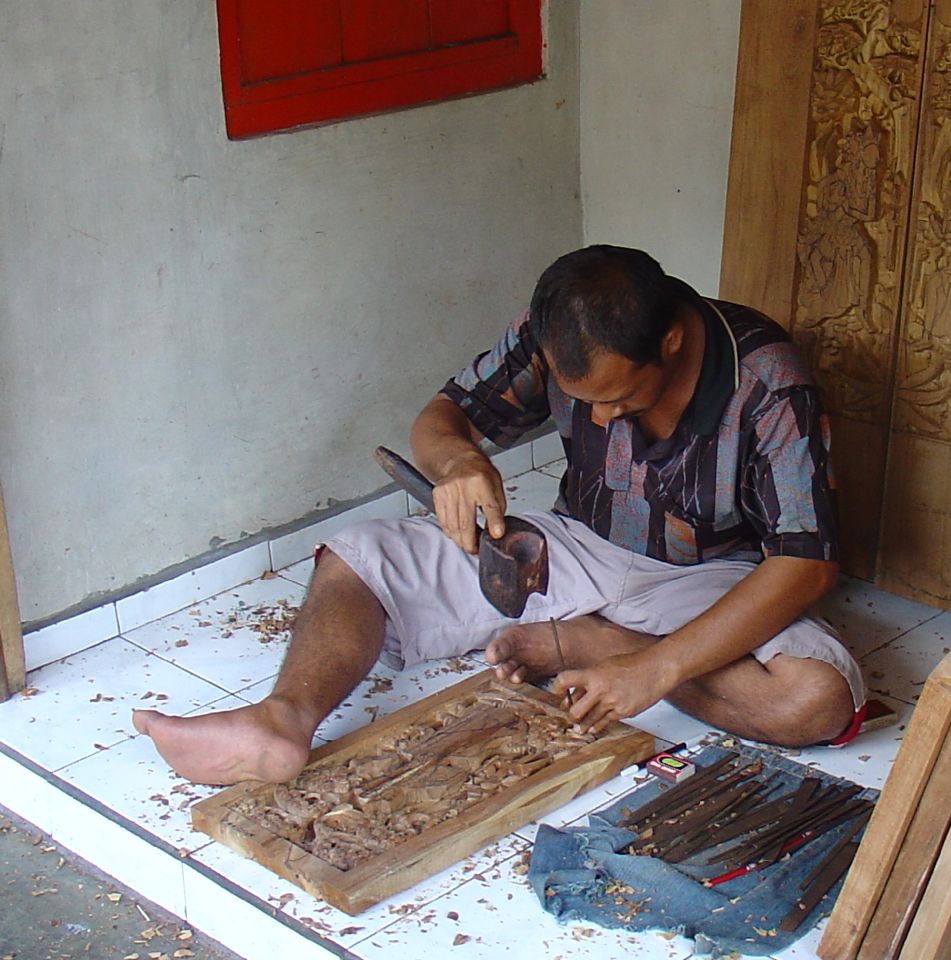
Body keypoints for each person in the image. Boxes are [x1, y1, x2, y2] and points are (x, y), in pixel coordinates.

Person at [133, 246, 866, 786]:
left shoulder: (767, 378)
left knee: (814, 699)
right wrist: (457, 462)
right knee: (360, 555)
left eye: (618, 398)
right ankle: (283, 719)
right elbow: (441, 417)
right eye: (585, 401)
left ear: (670, 340)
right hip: (575, 548)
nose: (601, 415)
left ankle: (590, 642)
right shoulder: (557, 333)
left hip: (710, 581)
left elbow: (806, 565)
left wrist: (653, 667)